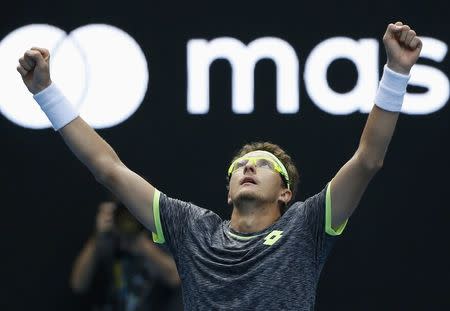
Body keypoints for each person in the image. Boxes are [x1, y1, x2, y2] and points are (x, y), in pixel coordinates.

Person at [17, 22, 422, 310]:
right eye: (239, 166)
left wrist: (397, 71)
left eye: (263, 165)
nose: (247, 168)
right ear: (228, 190)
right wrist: (45, 93)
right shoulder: (192, 228)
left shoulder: (308, 225)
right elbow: (108, 168)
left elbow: (368, 159)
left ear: (285, 193)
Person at [70, 200, 181, 311]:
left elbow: (175, 279)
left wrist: (144, 246)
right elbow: (78, 284)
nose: (128, 220)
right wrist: (97, 237)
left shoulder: (158, 235)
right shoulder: (103, 241)